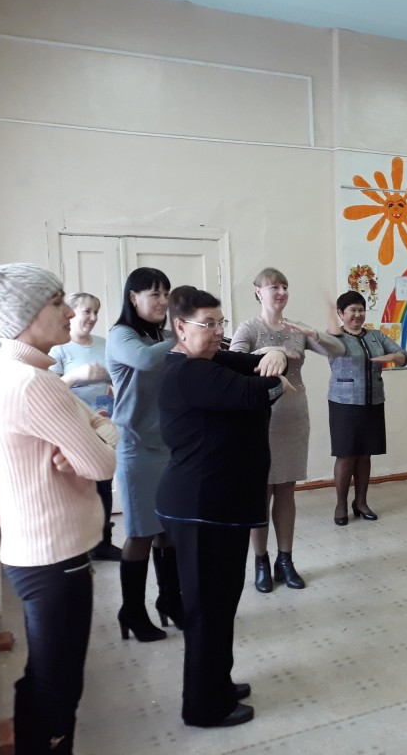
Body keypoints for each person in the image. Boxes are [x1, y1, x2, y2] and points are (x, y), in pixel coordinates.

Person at [0, 264, 117, 755]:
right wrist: (94, 440)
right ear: (26, 315)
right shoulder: (34, 384)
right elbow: (102, 464)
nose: (70, 313)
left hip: (40, 554)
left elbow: (101, 430)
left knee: (47, 678)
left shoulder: (17, 372)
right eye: (57, 304)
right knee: (58, 687)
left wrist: (93, 437)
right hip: (54, 558)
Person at [156, 286, 292, 728]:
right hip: (200, 507)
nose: (218, 332)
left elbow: (259, 364)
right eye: (208, 324)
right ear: (180, 327)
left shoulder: (211, 361)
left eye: (221, 322)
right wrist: (275, 375)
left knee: (221, 603)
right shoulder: (189, 372)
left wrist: (276, 353)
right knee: (207, 610)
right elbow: (259, 390)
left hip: (219, 505)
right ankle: (203, 706)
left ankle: (218, 682)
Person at [229, 268, 344, 593]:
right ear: (258, 292)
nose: (280, 292)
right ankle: (261, 561)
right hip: (260, 419)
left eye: (284, 286)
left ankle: (285, 560)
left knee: (286, 491)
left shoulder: (295, 328)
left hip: (293, 418)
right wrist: (271, 351)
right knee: (261, 494)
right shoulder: (250, 327)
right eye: (273, 287)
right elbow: (233, 361)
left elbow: (338, 350)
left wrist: (312, 333)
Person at [106, 267, 179, 642]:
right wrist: (185, 336)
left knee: (169, 529)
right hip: (136, 447)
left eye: (166, 293)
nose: (163, 301)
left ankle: (171, 600)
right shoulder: (121, 335)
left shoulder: (164, 337)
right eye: (154, 294)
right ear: (133, 298)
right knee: (140, 533)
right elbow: (147, 360)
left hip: (169, 445)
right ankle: (132, 610)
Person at [326, 291, 407, 525]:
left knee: (365, 455)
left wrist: (393, 357)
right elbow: (328, 347)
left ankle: (361, 502)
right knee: (345, 455)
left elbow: (404, 356)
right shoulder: (335, 337)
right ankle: (341, 505)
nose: (357, 314)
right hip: (344, 404)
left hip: (373, 402)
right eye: (352, 310)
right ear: (341, 313)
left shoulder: (376, 336)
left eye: (361, 310)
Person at [49, 292, 121, 562]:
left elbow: (117, 380)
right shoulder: (59, 348)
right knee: (75, 487)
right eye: (86, 311)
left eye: (96, 312)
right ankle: (76, 545)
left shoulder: (104, 344)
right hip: (73, 426)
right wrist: (77, 375)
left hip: (104, 425)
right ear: (70, 313)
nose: (92, 317)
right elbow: (50, 389)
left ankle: (103, 542)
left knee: (103, 483)